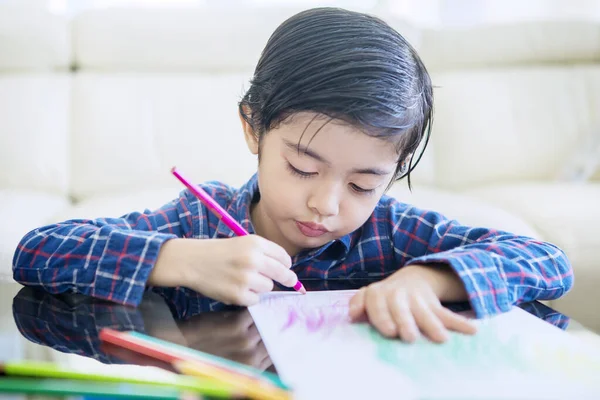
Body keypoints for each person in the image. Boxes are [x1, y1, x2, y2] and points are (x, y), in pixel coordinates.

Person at [12, 7, 573, 343]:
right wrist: (178, 258)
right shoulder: (201, 219)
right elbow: (38, 251)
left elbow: (547, 261)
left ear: (393, 171)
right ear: (253, 130)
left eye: (362, 184)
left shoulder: (392, 233)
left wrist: (432, 280)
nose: (326, 205)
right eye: (302, 167)